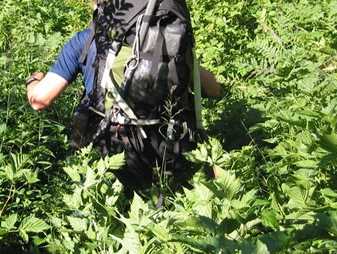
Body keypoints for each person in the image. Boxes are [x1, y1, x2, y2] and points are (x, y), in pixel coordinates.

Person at [25, 22, 221, 193]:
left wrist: (33, 79)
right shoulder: (166, 40)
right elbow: (213, 90)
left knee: (94, 206)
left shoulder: (86, 39)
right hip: (170, 142)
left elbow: (39, 100)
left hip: (110, 144)